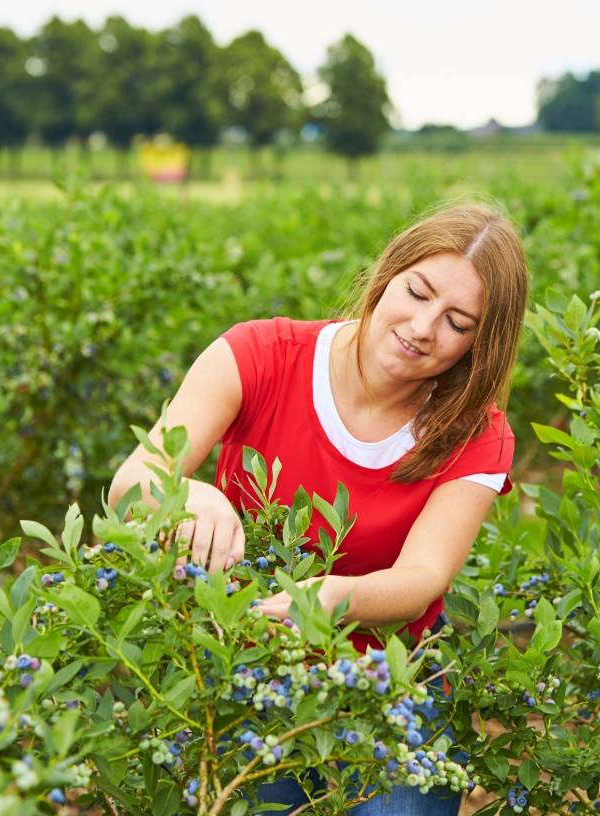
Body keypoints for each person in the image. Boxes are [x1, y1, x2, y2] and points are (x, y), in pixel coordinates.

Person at [108, 201, 529, 815]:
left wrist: (329, 598)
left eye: (457, 322)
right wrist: (189, 493)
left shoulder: (476, 434)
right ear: (387, 276)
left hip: (386, 683)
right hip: (241, 668)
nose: (422, 327)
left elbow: (420, 582)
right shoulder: (259, 355)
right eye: (416, 292)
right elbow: (133, 483)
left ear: (478, 344)